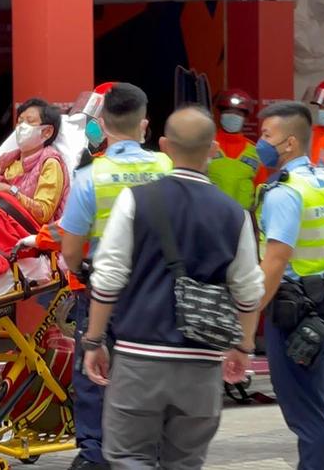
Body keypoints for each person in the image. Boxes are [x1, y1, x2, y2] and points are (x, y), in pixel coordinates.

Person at [82, 106, 264, 469]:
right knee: (185, 462)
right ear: (213, 147)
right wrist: (243, 346)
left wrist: (94, 341)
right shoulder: (235, 214)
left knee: (128, 456)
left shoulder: (136, 200)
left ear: (164, 145)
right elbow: (249, 291)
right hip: (203, 364)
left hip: (139, 357)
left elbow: (108, 277)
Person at [60, 82, 172, 470]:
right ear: (145, 124)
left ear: (102, 124)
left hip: (102, 292)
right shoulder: (167, 168)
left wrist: (81, 274)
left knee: (94, 371)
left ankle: (95, 453)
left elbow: (71, 248)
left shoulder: (91, 175)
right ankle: (150, 450)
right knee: (150, 371)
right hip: (158, 291)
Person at [255, 101, 324, 470]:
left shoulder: (284, 192)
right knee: (318, 408)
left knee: (306, 417)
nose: (260, 143)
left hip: (294, 314)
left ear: (289, 143)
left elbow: (274, 263)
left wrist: (249, 318)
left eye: (266, 135)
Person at [0, 98, 68, 224]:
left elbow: (43, 213)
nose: (21, 127)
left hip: (26, 233)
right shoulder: (4, 162)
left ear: (47, 132)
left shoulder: (49, 163)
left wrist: (9, 190)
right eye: (20, 121)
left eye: (30, 121)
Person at [207, 89, 266, 209]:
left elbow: (261, 193)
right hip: (209, 220)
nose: (233, 116)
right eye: (228, 111)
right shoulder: (205, 145)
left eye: (238, 113)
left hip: (243, 222)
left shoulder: (255, 153)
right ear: (220, 114)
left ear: (245, 118)